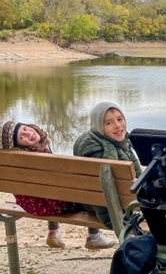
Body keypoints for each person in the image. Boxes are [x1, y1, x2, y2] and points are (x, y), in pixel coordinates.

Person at [0, 120, 115, 250]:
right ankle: (94, 236)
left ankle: (53, 231)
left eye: (25, 129)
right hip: (52, 203)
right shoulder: (41, 157)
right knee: (88, 190)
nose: (28, 134)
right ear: (18, 146)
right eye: (22, 137)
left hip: (30, 205)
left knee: (49, 189)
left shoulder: (16, 161)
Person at [73, 101, 142, 242]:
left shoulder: (121, 142)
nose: (117, 125)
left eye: (119, 119)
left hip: (108, 200)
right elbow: (101, 190)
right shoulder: (98, 149)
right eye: (108, 123)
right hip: (106, 206)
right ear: (99, 126)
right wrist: (115, 220)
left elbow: (139, 174)